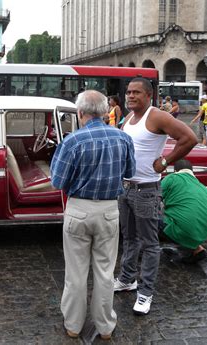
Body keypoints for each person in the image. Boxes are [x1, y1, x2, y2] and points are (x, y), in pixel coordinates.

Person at [51, 90, 136, 340]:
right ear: (104, 111)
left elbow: (58, 181)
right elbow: (129, 171)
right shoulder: (123, 138)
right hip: (109, 209)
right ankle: (105, 326)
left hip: (78, 208)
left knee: (76, 272)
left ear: (80, 113)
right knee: (105, 270)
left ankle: (73, 325)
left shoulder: (72, 141)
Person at [114, 77, 197, 316]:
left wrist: (165, 161)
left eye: (136, 92)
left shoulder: (157, 116)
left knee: (150, 244)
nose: (130, 96)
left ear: (149, 95)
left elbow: (189, 138)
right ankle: (127, 279)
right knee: (129, 238)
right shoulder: (129, 118)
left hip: (147, 190)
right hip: (127, 188)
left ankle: (146, 293)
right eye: (128, 92)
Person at [159, 159, 207, 263]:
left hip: (186, 229)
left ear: (175, 171)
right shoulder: (202, 187)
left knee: (149, 216)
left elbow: (152, 198)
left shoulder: (171, 178)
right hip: (205, 231)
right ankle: (197, 249)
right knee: (188, 220)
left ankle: (145, 251)